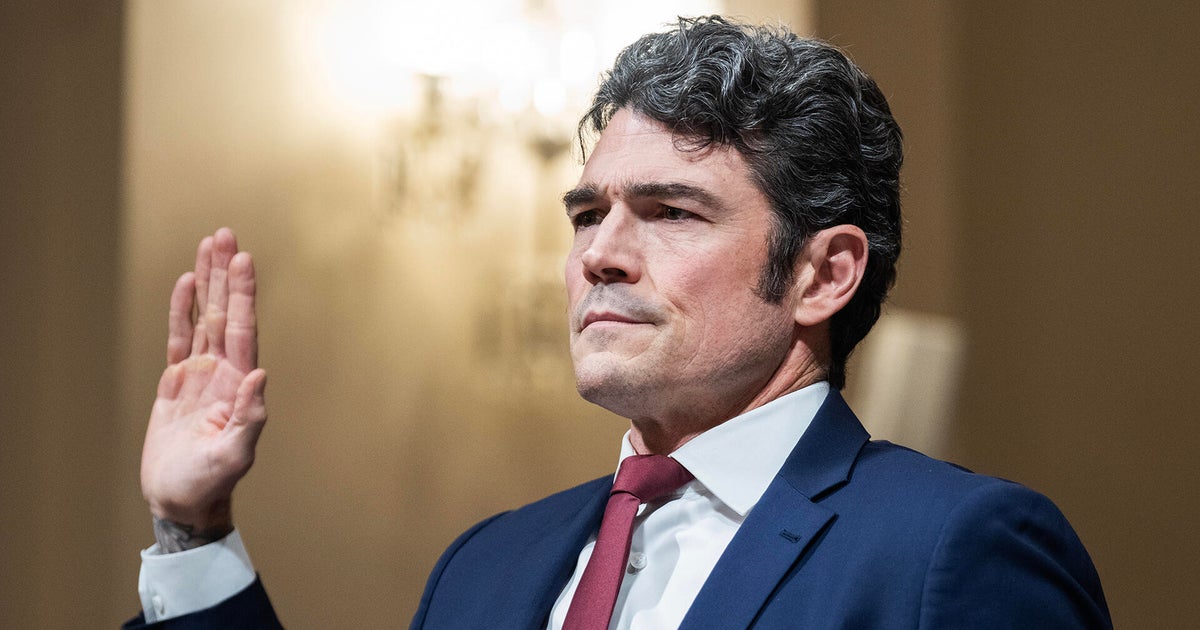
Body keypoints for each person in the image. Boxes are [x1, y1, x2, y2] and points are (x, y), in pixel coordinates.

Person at [126, 16, 1111, 629]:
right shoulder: (487, 565)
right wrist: (192, 532)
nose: (599, 252)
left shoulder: (951, 550)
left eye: (672, 212)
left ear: (823, 275)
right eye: (588, 213)